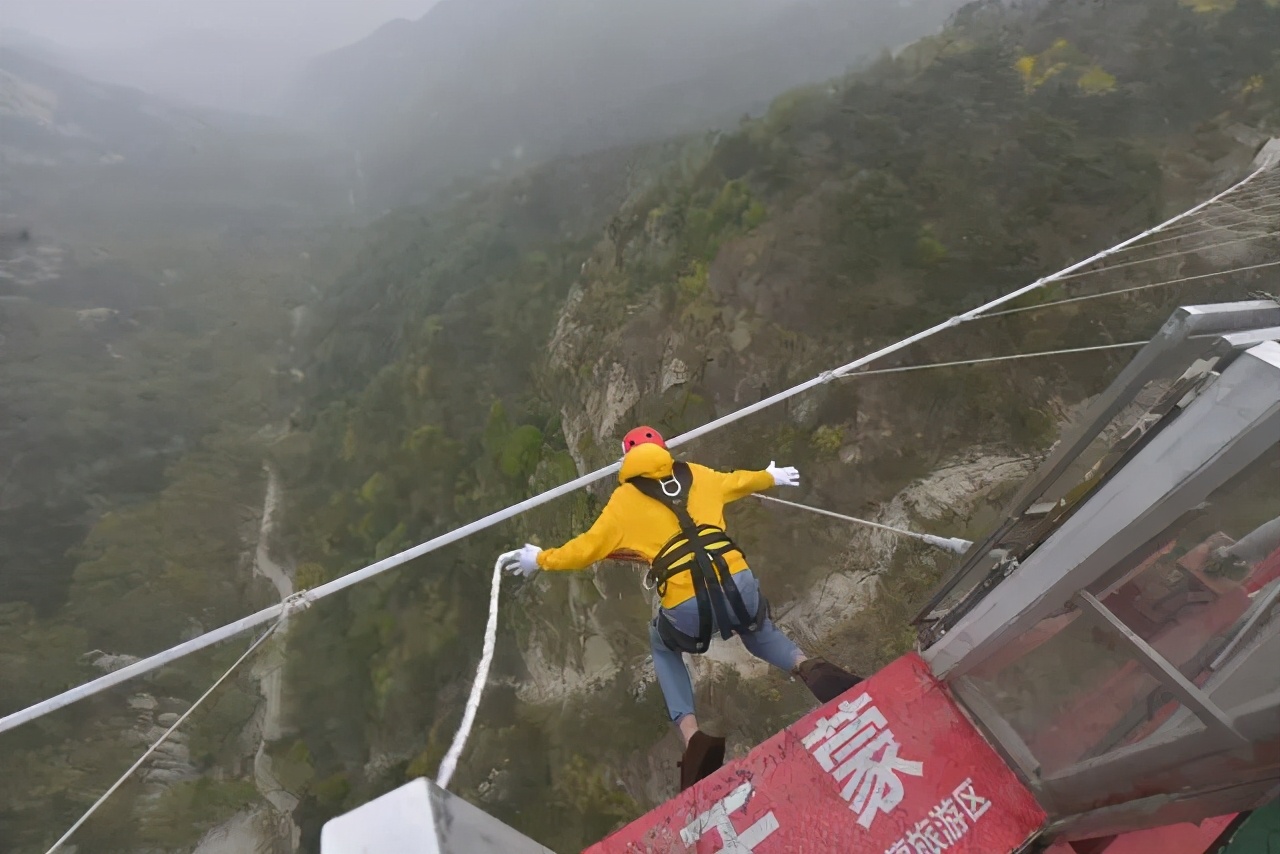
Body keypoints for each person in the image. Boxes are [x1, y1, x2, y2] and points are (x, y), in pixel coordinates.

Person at [497, 425, 862, 790]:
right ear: (663, 449)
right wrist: (771, 476)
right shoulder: (696, 473)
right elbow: (736, 481)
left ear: (626, 459)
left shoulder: (623, 502)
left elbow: (586, 548)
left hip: (689, 608)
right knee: (755, 627)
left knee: (662, 643)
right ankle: (805, 665)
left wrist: (541, 559)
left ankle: (693, 736)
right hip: (738, 582)